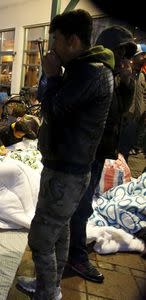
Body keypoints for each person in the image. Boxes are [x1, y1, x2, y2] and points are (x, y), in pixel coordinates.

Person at [16, 9, 114, 299]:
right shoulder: (86, 69)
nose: (52, 47)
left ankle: (47, 293)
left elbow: (53, 109)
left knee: (41, 237)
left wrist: (50, 76)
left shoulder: (90, 73)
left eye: (55, 39)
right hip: (67, 167)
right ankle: (52, 286)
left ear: (72, 40)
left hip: (67, 172)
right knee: (59, 231)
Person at [67, 26, 137, 284]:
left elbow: (121, 111)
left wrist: (128, 83)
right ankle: (74, 256)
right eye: (122, 53)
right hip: (83, 156)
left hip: (96, 155)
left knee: (82, 207)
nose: (126, 60)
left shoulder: (112, 77)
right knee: (80, 207)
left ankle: (71, 252)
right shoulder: (96, 75)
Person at [119, 43, 146, 158]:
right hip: (126, 118)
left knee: (126, 151)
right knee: (121, 150)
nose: (144, 57)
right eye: (142, 55)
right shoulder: (126, 72)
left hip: (137, 119)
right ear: (135, 56)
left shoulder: (141, 75)